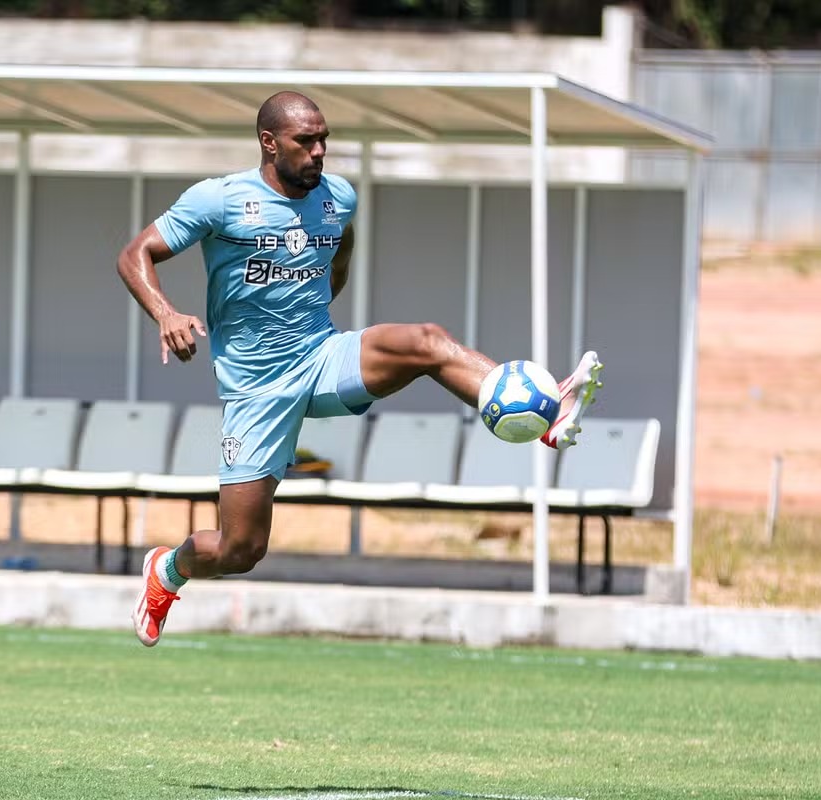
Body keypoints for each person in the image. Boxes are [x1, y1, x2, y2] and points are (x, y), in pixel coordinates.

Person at [117, 91, 604, 647]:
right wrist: (166, 313)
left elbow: (337, 256)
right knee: (240, 551)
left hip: (323, 356)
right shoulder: (219, 200)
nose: (320, 151)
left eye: (324, 139)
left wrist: (313, 307)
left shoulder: (338, 197)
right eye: (306, 141)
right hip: (257, 391)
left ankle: (542, 414)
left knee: (427, 342)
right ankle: (166, 572)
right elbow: (135, 254)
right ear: (269, 143)